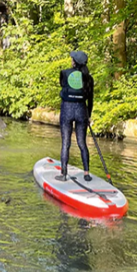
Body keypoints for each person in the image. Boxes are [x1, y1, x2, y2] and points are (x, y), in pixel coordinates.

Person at [57, 51, 95, 182]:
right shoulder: (89, 78)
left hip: (67, 110)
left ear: (74, 62)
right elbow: (90, 99)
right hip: (81, 111)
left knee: (65, 143)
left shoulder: (64, 73)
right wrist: (88, 116)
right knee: (82, 143)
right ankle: (86, 173)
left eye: (72, 59)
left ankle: (63, 174)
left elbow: (63, 86)